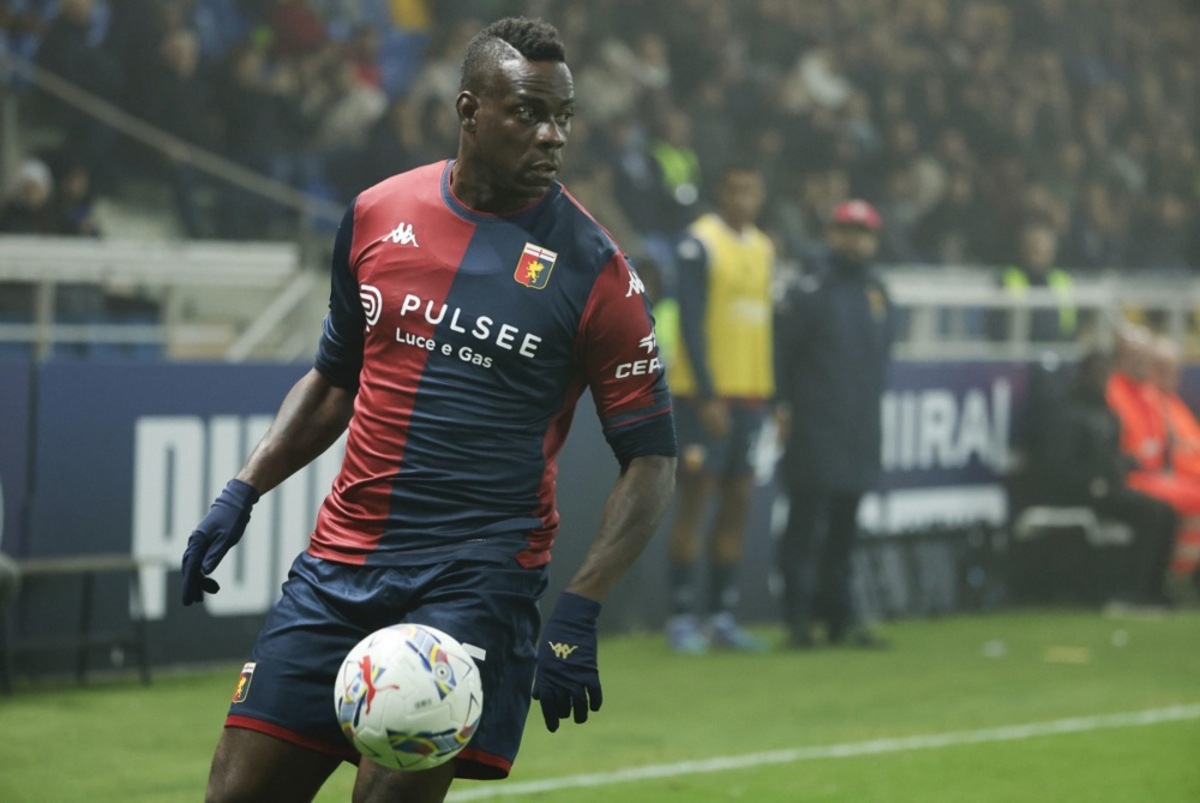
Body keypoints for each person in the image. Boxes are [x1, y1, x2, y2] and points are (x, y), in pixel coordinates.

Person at [179, 18, 677, 803]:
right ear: (469, 109)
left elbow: (650, 457)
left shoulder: (597, 272)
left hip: (472, 581)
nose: (552, 136)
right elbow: (333, 380)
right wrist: (241, 490)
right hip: (338, 565)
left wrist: (579, 609)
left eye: (564, 118)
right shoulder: (379, 212)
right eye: (528, 113)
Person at [662, 162, 775, 654]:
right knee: (696, 500)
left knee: (738, 501)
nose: (743, 199)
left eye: (751, 189)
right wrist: (706, 393)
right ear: (721, 193)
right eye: (735, 189)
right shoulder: (699, 243)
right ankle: (682, 618)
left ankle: (721, 617)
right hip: (704, 397)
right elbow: (689, 320)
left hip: (751, 394)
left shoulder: (766, 248)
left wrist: (774, 399)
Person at [774, 199, 894, 649]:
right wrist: (782, 408)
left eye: (862, 233)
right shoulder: (808, 289)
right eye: (846, 230)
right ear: (830, 234)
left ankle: (840, 617)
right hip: (814, 424)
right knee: (805, 524)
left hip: (859, 426)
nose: (854, 240)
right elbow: (781, 355)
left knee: (845, 528)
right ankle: (798, 619)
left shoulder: (878, 292)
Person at [1035, 350, 1176, 607]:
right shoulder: (1067, 413)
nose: (1102, 379)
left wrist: (1127, 463)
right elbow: (1057, 467)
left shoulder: (1106, 411)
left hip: (1107, 486)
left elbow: (1113, 456)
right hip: (1079, 491)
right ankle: (1132, 591)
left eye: (1106, 373)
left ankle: (1153, 590)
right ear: (1084, 374)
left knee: (1166, 512)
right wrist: (1093, 480)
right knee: (1151, 514)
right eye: (1098, 372)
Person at [986, 219, 1078, 345]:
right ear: (1023, 248)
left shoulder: (1062, 280)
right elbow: (997, 328)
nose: (1040, 254)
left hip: (1058, 353)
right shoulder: (1009, 278)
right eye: (1034, 248)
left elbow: (1072, 327)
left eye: (1045, 249)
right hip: (1017, 356)